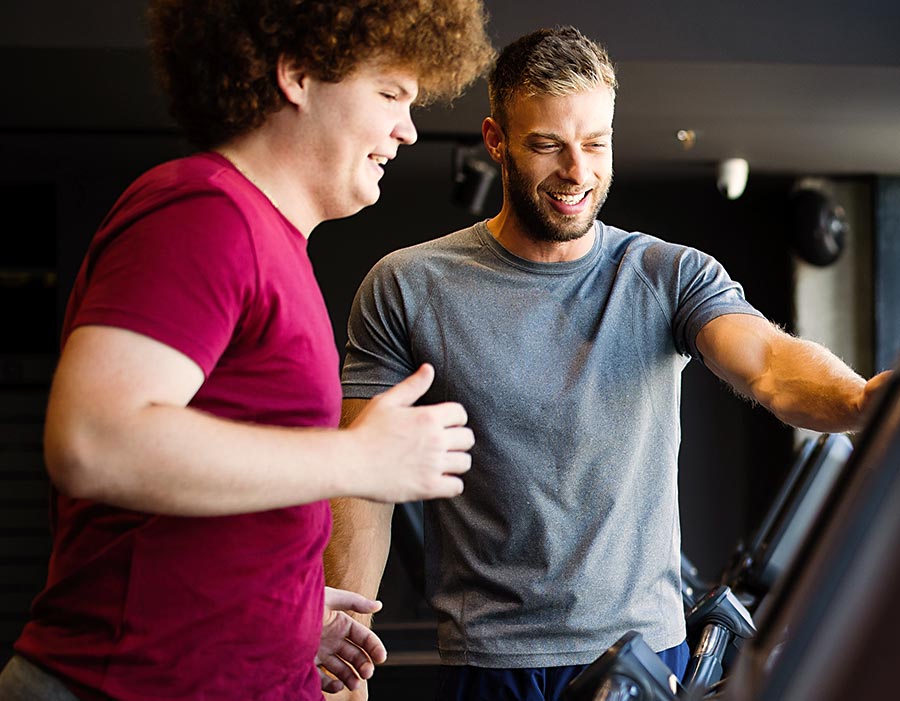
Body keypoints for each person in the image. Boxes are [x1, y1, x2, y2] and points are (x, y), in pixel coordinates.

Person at [326, 25, 893, 701]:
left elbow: (768, 363)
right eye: (548, 145)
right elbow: (359, 478)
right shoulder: (410, 285)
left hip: (641, 653)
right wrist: (345, 663)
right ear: (496, 140)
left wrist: (862, 401)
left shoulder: (665, 273)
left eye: (597, 144)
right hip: (488, 661)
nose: (578, 172)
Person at [0, 2, 492, 700]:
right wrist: (361, 458)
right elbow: (93, 440)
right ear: (297, 75)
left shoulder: (270, 240)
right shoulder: (203, 212)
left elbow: (212, 500)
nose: (407, 129)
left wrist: (286, 613)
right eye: (390, 94)